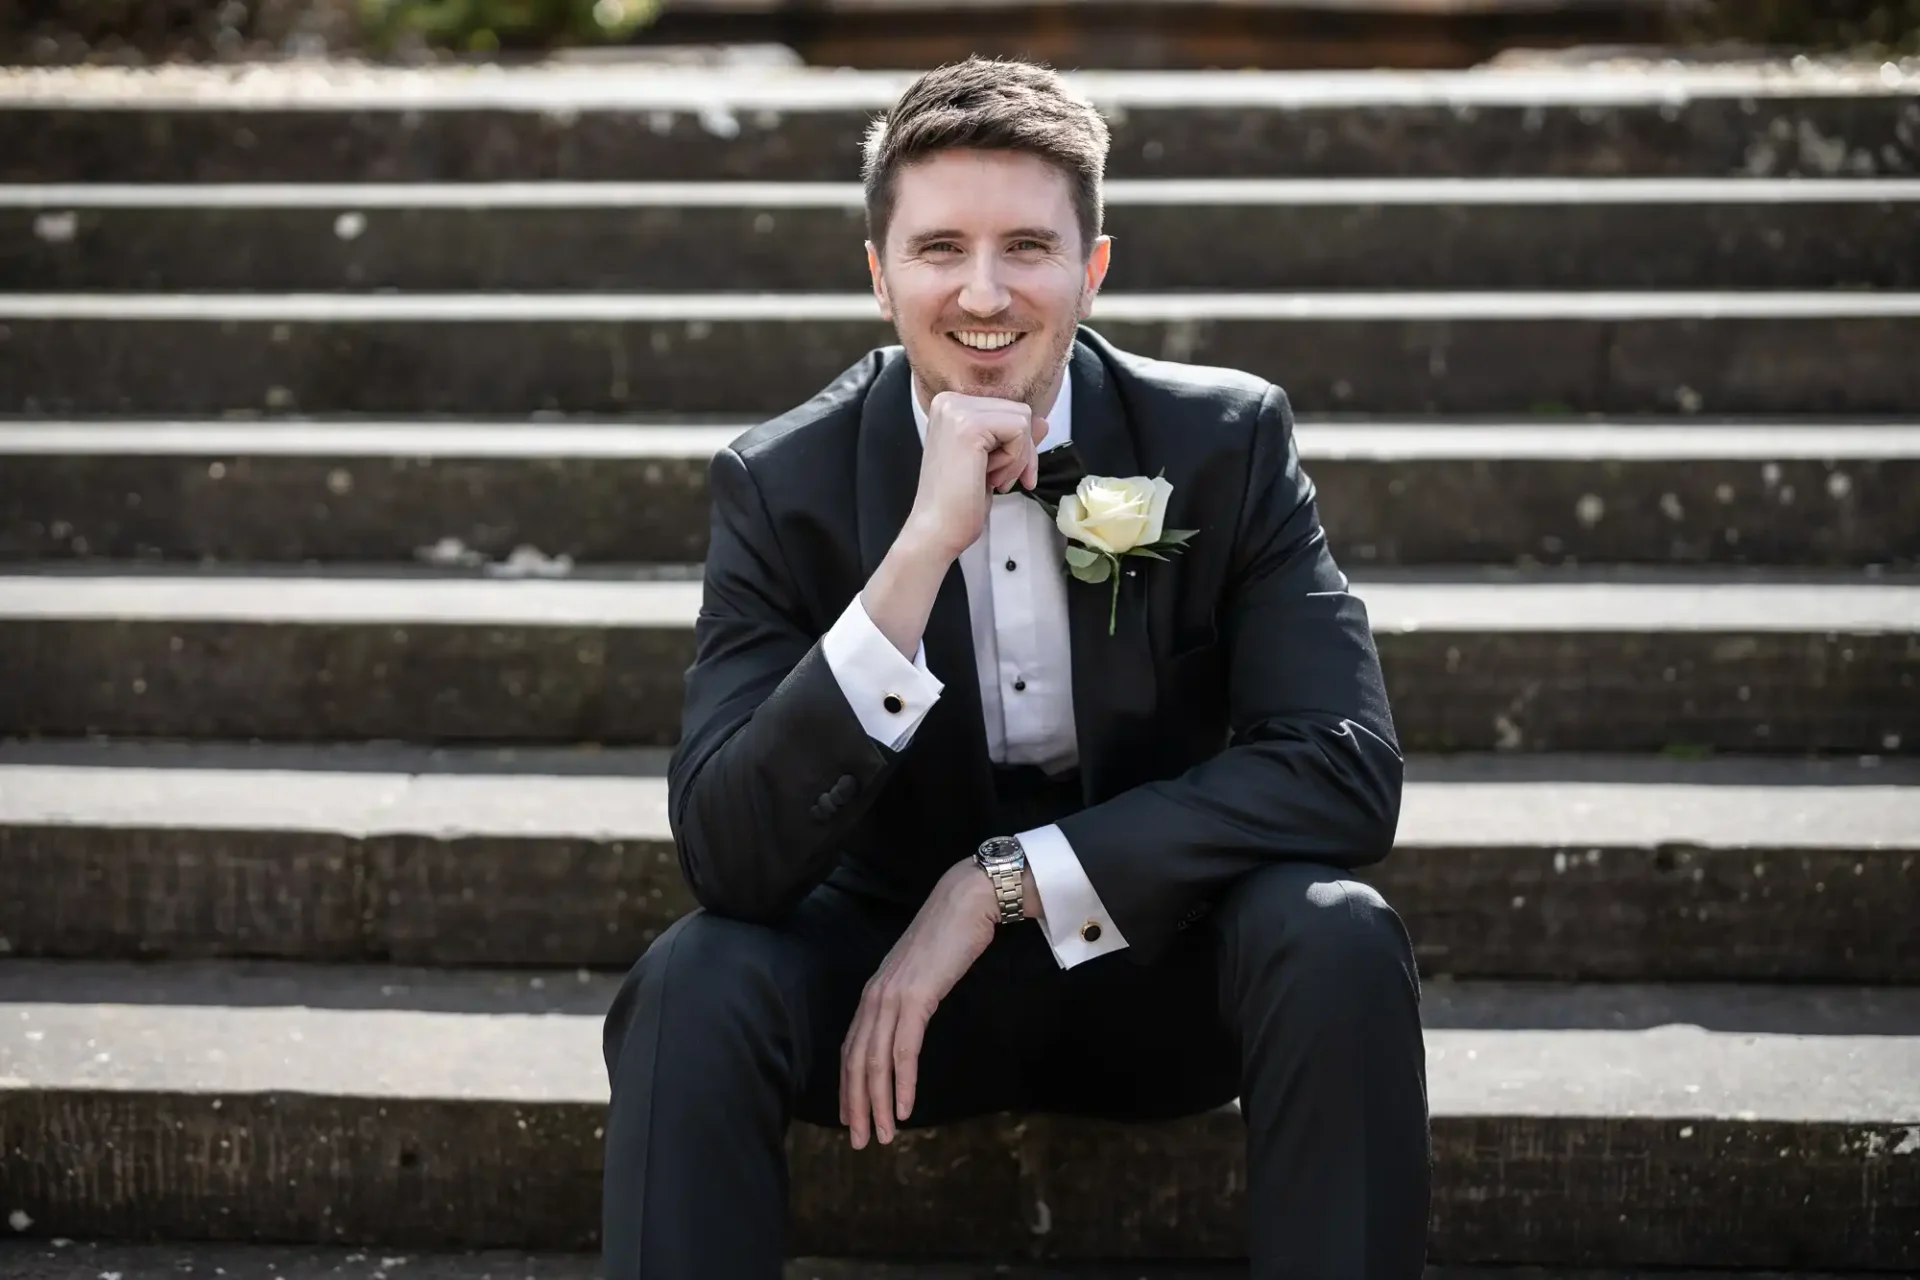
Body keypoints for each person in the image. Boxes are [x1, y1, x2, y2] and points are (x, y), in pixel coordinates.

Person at [601, 55, 1429, 1279]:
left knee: (1338, 932)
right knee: (692, 978)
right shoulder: (783, 486)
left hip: (1158, 975)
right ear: (879, 277)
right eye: (939, 249)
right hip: (891, 1009)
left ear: (1092, 269)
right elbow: (730, 850)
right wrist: (924, 547)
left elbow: (1345, 770)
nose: (984, 293)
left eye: (1028, 248)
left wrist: (1002, 882)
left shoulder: (1225, 440)